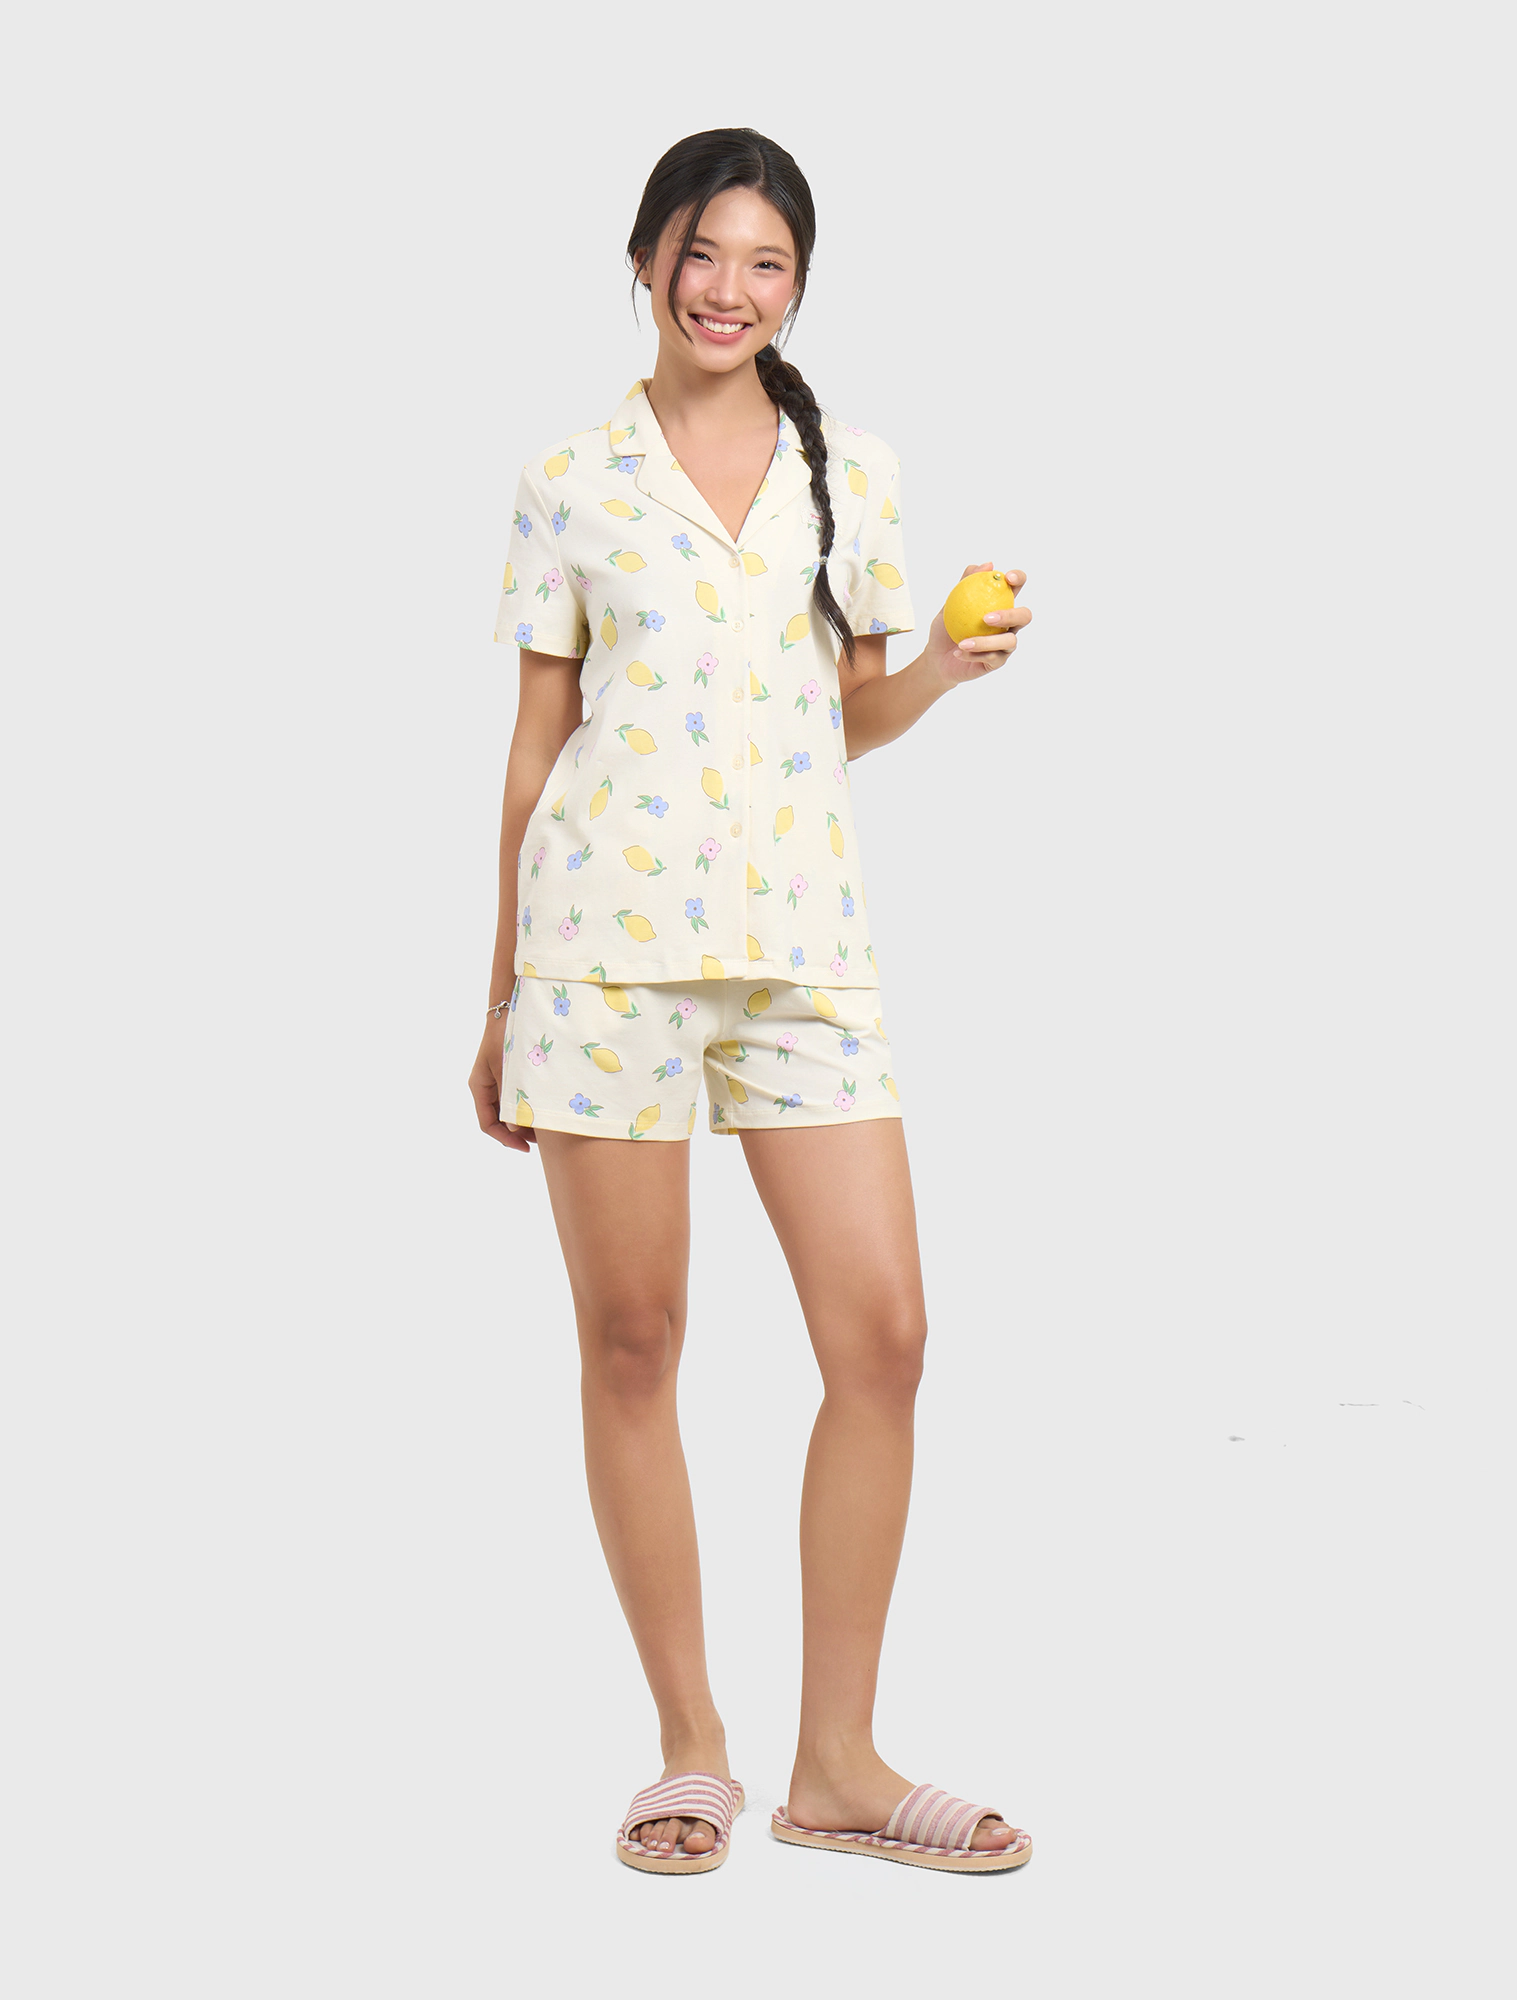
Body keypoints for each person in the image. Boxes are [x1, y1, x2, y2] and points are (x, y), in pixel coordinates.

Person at [469, 128, 1034, 1876]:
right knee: (635, 1345)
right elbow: (537, 745)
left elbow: (838, 718)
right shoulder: (568, 478)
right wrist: (499, 993)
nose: (729, 290)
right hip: (601, 955)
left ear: (798, 288)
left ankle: (839, 1765)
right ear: (645, 258)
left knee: (885, 1339)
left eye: (766, 263)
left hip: (801, 952)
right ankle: (692, 1750)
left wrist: (942, 671)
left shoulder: (847, 472)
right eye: (702, 252)